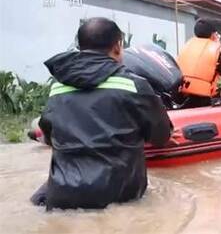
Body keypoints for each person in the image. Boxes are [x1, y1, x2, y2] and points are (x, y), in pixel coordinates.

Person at [31, 17, 172, 210]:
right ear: (117, 46)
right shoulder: (134, 85)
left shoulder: (57, 88)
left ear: (80, 47)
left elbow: (48, 132)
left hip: (62, 194)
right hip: (118, 194)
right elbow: (160, 136)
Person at [177, 18, 221, 107]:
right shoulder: (215, 50)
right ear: (213, 34)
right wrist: (220, 48)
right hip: (204, 99)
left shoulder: (187, 46)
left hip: (183, 96)